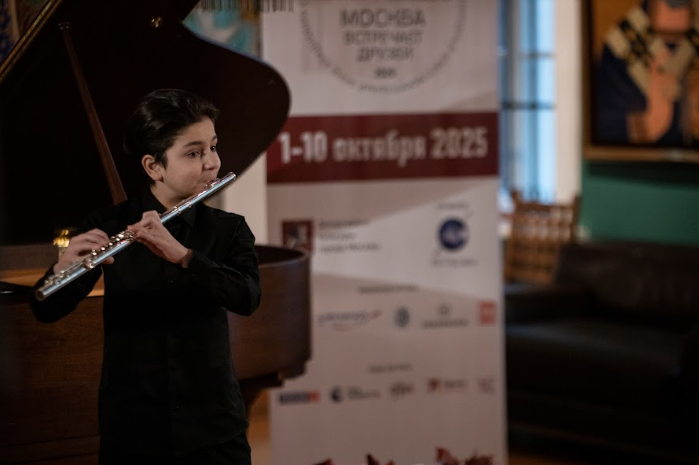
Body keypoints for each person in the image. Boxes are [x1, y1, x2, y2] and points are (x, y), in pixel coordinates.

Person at [30, 89, 261, 464]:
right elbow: (47, 310)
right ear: (154, 167)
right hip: (133, 433)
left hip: (213, 430)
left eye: (213, 147)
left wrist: (185, 256)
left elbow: (247, 297)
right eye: (194, 153)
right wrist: (61, 270)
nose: (212, 163)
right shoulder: (108, 224)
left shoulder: (228, 229)